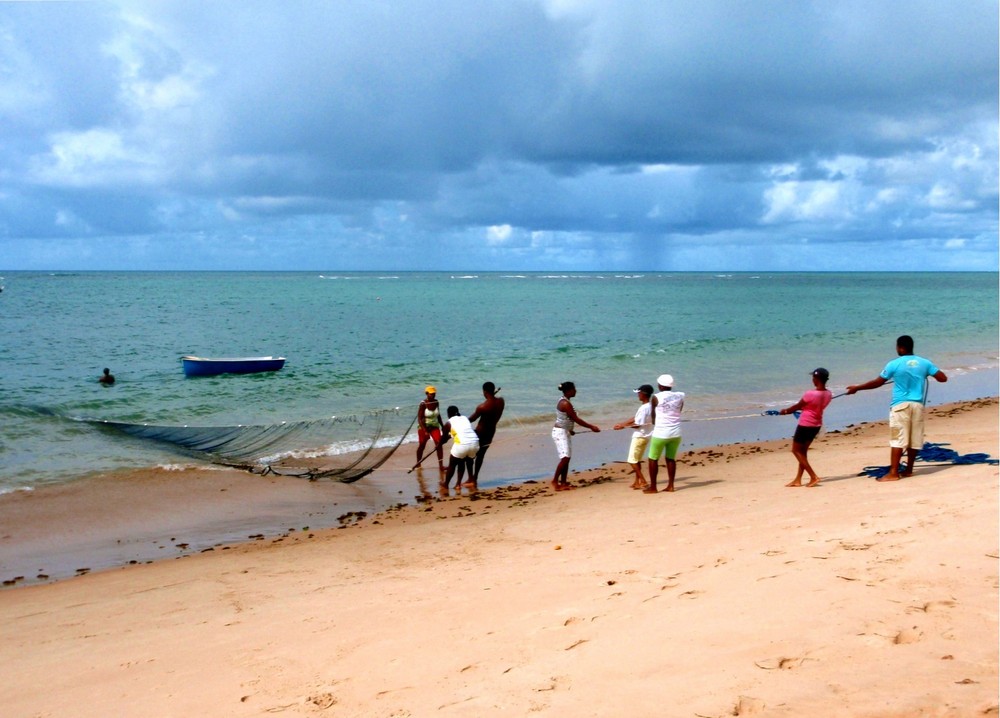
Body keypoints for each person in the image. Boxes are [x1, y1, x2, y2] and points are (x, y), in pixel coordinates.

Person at [846, 335, 948, 481]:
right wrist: (924, 374)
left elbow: (878, 382)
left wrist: (857, 388)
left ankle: (893, 473)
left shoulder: (894, 364)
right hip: (917, 405)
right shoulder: (925, 363)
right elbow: (943, 378)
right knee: (914, 439)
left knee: (898, 439)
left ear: (900, 347)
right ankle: (909, 470)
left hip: (900, 405)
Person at [780, 368, 833, 487]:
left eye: (813, 378)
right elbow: (810, 406)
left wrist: (786, 411)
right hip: (816, 425)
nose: (812, 380)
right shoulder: (828, 394)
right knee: (802, 453)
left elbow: (798, 406)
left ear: (817, 379)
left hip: (805, 424)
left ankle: (813, 476)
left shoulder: (810, 394)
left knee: (796, 450)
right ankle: (798, 479)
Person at [551, 381, 600, 491]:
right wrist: (591, 427)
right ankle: (555, 481)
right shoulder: (565, 403)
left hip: (565, 431)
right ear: (568, 391)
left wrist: (570, 430)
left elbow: (566, 419)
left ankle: (563, 482)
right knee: (565, 458)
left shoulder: (566, 401)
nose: (576, 391)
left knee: (566, 458)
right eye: (574, 389)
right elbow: (576, 419)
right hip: (560, 432)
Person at [646, 374, 684, 493]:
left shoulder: (656, 397)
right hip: (676, 432)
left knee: (653, 458)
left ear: (660, 386)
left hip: (661, 433)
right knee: (670, 459)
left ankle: (653, 487)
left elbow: (653, 414)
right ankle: (671, 485)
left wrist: (653, 422)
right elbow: (679, 410)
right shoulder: (680, 395)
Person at [613, 384, 654, 490]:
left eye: (639, 393)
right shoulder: (650, 406)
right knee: (637, 459)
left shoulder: (643, 408)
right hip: (647, 435)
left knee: (632, 460)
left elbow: (637, 424)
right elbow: (635, 418)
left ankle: (643, 481)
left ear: (643, 394)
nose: (638, 395)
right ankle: (637, 482)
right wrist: (623, 423)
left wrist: (623, 426)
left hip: (639, 436)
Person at [467, 381, 505, 483]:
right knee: (481, 455)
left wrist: (460, 419)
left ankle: (471, 478)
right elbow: (493, 402)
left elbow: (472, 419)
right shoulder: (501, 401)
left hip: (480, 433)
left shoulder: (482, 407)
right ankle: (475, 478)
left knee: (469, 456)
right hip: (491, 432)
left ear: (484, 391)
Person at [439, 405, 480, 489]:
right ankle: (458, 484)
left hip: (462, 444)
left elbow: (444, 439)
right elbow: (459, 431)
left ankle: (446, 484)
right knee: (462, 461)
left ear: (449, 414)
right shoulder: (465, 418)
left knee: (452, 464)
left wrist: (439, 445)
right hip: (475, 443)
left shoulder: (449, 423)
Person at [415, 385, 445, 473]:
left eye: (434, 394)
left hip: (435, 426)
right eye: (431, 394)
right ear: (426, 394)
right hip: (424, 426)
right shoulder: (423, 404)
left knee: (439, 444)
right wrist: (425, 430)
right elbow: (419, 419)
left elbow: (438, 415)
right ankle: (418, 463)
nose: (433, 395)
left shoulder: (436, 402)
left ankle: (441, 465)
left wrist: (443, 427)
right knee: (422, 445)